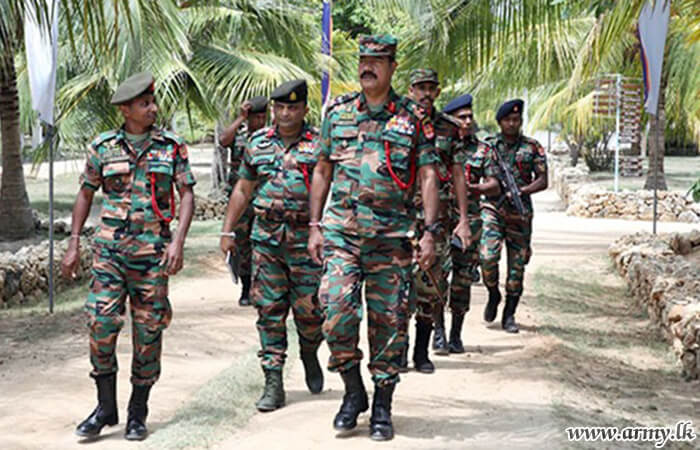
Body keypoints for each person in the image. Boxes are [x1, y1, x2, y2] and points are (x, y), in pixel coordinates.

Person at [307, 34, 440, 441]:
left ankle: (383, 404)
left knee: (390, 323)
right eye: (364, 60)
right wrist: (314, 225)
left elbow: (428, 174)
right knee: (335, 314)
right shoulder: (338, 113)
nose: (367, 67)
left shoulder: (412, 118)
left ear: (392, 67)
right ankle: (353, 392)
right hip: (343, 235)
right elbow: (323, 169)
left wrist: (431, 232)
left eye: (377, 61)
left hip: (392, 238)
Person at [61, 71, 196, 441]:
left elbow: (186, 194)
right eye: (144, 103)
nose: (153, 108)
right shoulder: (103, 147)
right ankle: (105, 408)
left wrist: (178, 242)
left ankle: (138, 412)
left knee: (149, 331)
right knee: (100, 323)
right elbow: (86, 193)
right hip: (110, 254)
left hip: (152, 255)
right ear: (125, 109)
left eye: (152, 102)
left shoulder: (171, 147)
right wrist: (73, 242)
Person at [220, 79, 324, 412]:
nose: (285, 113)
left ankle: (309, 350)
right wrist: (227, 230)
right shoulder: (258, 143)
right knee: (269, 311)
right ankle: (273, 382)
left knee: (311, 312)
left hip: (306, 243)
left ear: (304, 109)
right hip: (266, 240)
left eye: (292, 107)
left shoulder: (319, 143)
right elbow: (243, 188)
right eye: (280, 107)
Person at [404, 69, 471, 372]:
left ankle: (421, 352)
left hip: (437, 219)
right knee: (398, 285)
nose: (426, 94)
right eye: (420, 88)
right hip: (403, 217)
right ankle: (398, 350)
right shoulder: (398, 123)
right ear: (410, 91)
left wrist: (464, 218)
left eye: (431, 88)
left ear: (438, 92)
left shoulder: (449, 128)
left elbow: (458, 174)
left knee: (431, 286)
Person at [481, 99, 548, 333]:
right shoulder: (489, 146)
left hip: (520, 213)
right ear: (500, 122)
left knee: (516, 269)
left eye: (516, 120)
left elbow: (543, 179)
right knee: (487, 257)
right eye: (508, 120)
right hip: (493, 209)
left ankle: (509, 314)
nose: (512, 123)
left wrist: (522, 191)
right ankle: (492, 292)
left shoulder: (532, 147)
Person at [444, 94, 500, 351]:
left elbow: (494, 183)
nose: (467, 121)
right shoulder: (436, 146)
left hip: (470, 222)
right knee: (435, 277)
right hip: (441, 220)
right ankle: (436, 330)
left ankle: (455, 333)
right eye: (461, 117)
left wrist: (473, 188)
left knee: (463, 278)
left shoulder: (483, 150)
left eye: (469, 117)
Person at [219, 96, 268, 306]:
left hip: (262, 197)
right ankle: (246, 287)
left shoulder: (269, 137)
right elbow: (223, 140)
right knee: (241, 243)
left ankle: (262, 286)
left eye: (262, 117)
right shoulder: (239, 136)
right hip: (240, 199)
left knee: (263, 242)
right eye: (255, 117)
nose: (259, 122)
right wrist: (241, 118)